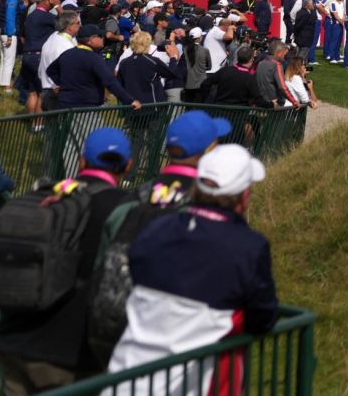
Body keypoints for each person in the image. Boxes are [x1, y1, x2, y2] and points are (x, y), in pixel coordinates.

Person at [104, 144, 279, 393]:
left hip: (124, 378)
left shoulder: (157, 228)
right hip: (186, 384)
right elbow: (263, 316)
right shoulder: (248, 247)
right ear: (244, 195)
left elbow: (137, 271)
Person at [0, 128, 136, 393]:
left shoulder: (44, 195)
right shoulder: (127, 210)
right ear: (128, 166)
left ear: (81, 161)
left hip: (12, 339)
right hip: (71, 356)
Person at [136, 110, 232, 207]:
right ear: (207, 149)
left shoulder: (138, 195)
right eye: (215, 141)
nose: (218, 147)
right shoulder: (213, 201)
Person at [46, 24, 142, 111]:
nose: (102, 39)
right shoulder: (94, 58)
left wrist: (62, 84)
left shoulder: (67, 53)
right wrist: (129, 100)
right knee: (97, 131)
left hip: (64, 104)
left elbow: (50, 70)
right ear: (91, 39)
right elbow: (110, 81)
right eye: (100, 36)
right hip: (84, 108)